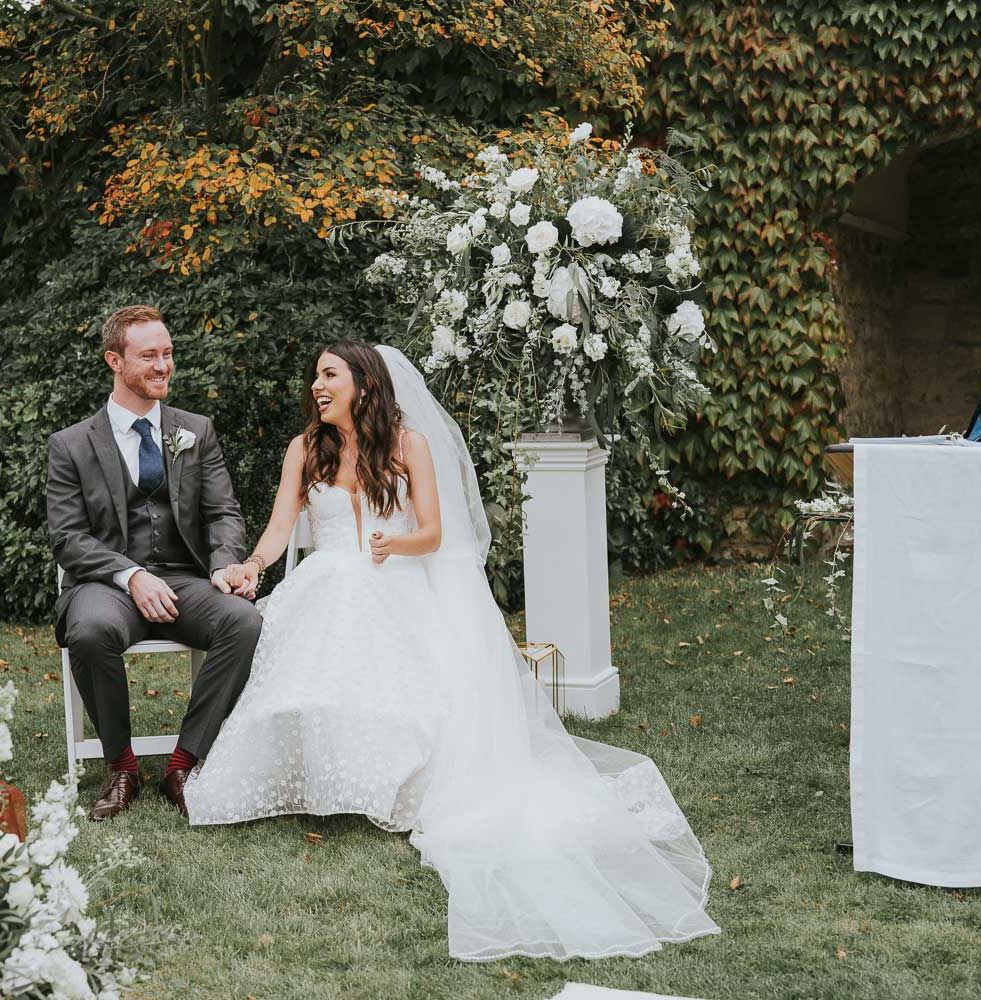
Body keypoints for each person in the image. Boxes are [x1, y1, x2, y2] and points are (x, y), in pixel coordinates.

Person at [185, 342, 720, 961]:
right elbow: (280, 529)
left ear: (364, 383)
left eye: (329, 375)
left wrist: (395, 545)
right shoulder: (305, 449)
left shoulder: (409, 444)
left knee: (406, 691)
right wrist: (252, 567)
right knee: (304, 680)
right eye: (315, 377)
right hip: (324, 583)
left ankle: (391, 786)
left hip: (393, 580)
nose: (317, 386)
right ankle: (322, 781)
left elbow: (434, 532)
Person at [47, 305, 261, 821]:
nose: (163, 365)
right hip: (105, 585)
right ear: (114, 361)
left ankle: (183, 765)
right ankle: (122, 768)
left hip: (185, 581)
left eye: (168, 353)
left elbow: (222, 512)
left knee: (243, 621)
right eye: (149, 356)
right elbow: (68, 538)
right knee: (90, 630)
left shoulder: (196, 430)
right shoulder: (71, 445)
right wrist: (132, 575)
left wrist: (223, 564)